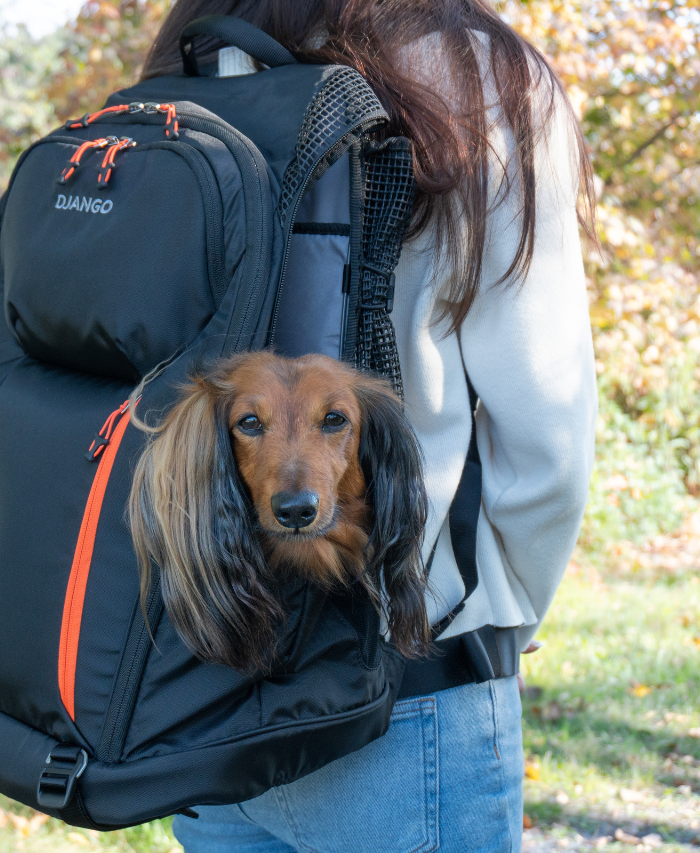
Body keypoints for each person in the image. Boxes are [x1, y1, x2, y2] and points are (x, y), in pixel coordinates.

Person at [142, 2, 598, 852]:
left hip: (201, 678)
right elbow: (547, 433)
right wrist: (491, 622)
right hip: (402, 683)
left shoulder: (187, 60)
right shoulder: (476, 77)